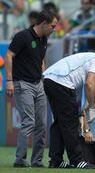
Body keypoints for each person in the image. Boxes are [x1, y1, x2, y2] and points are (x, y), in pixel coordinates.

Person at [42, 41, 95, 169]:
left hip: (49, 79)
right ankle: (77, 161)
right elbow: (90, 84)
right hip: (62, 82)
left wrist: (87, 107)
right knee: (71, 123)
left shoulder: (90, 57)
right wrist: (92, 108)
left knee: (59, 122)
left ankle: (56, 160)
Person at [4, 10, 58, 168]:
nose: (54, 29)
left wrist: (44, 75)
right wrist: (9, 81)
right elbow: (8, 56)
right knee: (29, 122)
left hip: (38, 84)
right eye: (52, 26)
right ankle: (20, 159)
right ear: (43, 24)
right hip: (23, 84)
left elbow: (41, 59)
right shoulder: (23, 36)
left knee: (41, 124)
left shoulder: (44, 39)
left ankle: (37, 161)